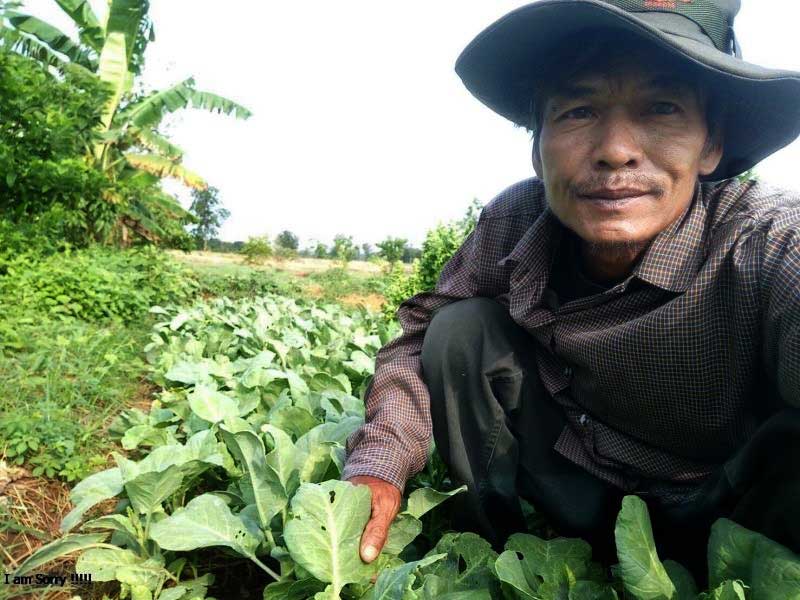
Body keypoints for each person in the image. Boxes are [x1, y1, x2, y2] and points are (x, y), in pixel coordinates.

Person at [343, 0, 800, 579]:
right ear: (537, 147)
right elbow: (416, 341)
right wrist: (378, 465)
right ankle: (500, 560)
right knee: (458, 329)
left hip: (731, 516)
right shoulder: (515, 221)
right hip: (580, 491)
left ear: (710, 145)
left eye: (662, 108)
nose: (615, 150)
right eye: (579, 111)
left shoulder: (764, 240)